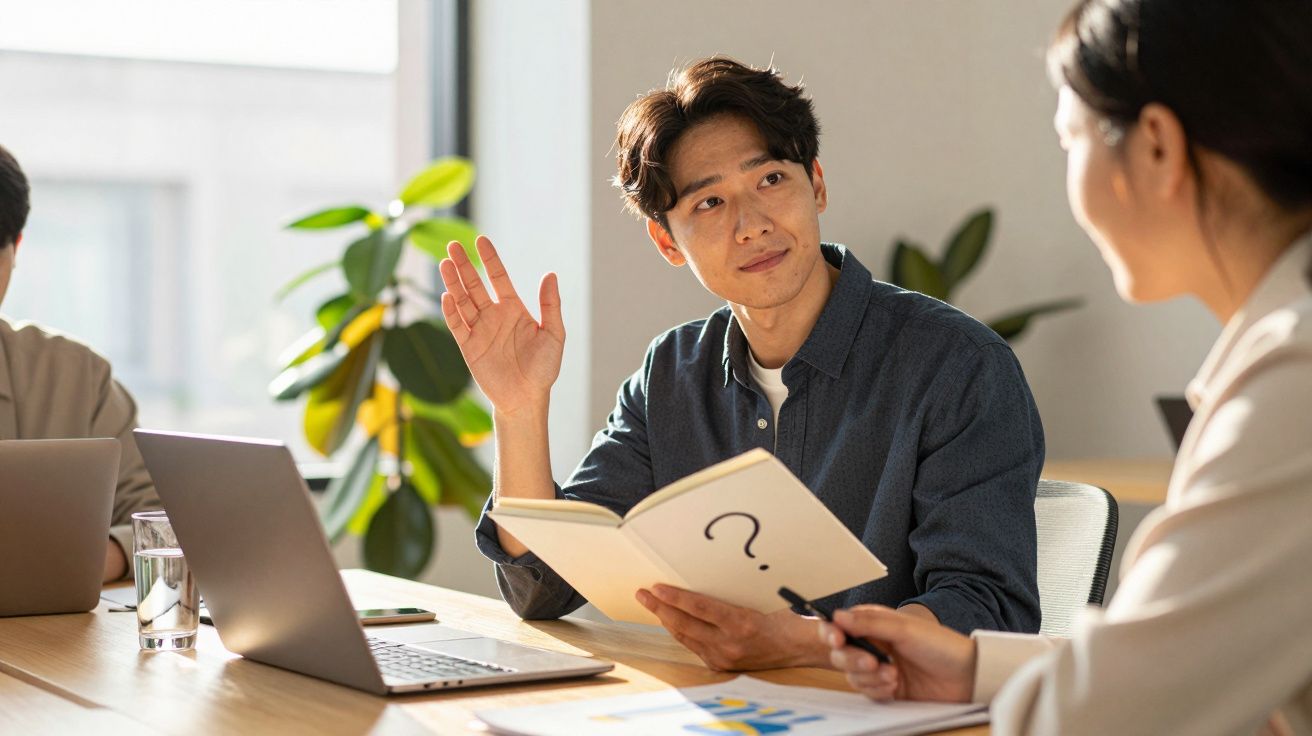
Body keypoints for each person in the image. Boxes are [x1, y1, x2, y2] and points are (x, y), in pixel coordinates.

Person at [441, 57, 1045, 673]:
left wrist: (808, 644)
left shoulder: (957, 365)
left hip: (884, 711)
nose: (752, 225)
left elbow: (987, 612)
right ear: (667, 241)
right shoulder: (671, 373)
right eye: (709, 202)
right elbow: (542, 587)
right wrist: (518, 409)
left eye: (771, 180)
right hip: (721, 707)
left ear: (817, 184)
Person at [819, 1, 1312, 733]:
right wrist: (979, 667)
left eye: (1069, 141)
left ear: (1156, 147)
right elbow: (1202, 664)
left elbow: (1094, 720)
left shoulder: (1292, 383)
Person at [0, 144, 160, 582]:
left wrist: (87, 561)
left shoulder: (78, 377)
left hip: (48, 623)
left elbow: (160, 518)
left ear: (17, 247)